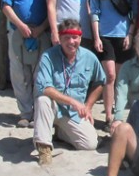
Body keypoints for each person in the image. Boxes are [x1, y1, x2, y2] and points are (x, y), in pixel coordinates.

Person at [32, 19, 106, 165]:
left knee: (89, 144)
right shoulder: (48, 56)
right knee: (42, 100)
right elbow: (43, 88)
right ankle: (44, 148)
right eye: (66, 38)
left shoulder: (89, 57)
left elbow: (100, 82)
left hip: (73, 113)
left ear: (80, 37)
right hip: (53, 107)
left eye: (75, 37)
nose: (71, 42)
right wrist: (73, 102)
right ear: (60, 38)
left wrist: (88, 106)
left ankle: (61, 133)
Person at [1, 0, 50, 128]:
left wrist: (41, 27)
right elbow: (6, 5)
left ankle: (38, 113)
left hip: (41, 32)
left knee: (40, 74)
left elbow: (53, 8)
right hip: (17, 32)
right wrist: (20, 25)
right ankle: (25, 113)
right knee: (19, 74)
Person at [90, 0, 139, 130]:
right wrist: (96, 37)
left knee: (121, 78)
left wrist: (130, 33)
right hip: (105, 35)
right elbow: (94, 11)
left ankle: (119, 113)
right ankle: (109, 116)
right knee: (109, 76)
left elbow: (135, 10)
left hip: (124, 34)